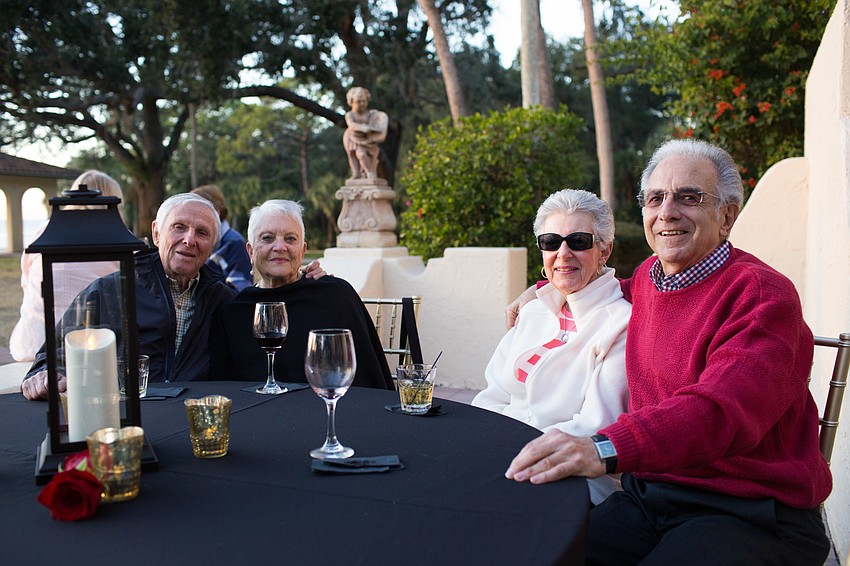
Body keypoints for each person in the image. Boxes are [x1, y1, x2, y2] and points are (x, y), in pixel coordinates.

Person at [504, 139, 833, 565]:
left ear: (727, 215)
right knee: (541, 553)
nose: (668, 212)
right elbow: (611, 292)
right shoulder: (649, 278)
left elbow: (719, 411)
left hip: (749, 511)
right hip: (652, 498)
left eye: (689, 198)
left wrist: (603, 448)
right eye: (655, 198)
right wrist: (545, 288)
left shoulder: (762, 296)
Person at [472, 189, 630, 505]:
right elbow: (492, 395)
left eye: (579, 241)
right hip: (502, 460)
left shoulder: (621, 324)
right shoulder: (532, 312)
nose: (563, 252)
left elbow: (597, 424)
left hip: (568, 480)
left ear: (604, 251)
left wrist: (509, 453)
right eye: (551, 242)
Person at [209, 199, 393, 389]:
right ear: (250, 251)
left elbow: (368, 380)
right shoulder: (233, 313)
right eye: (267, 238)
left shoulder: (335, 297)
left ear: (302, 251)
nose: (280, 247)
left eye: (290, 239)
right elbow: (224, 390)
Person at [9, 170, 123, 363]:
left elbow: (26, 281)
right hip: (89, 349)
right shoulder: (116, 239)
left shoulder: (44, 232)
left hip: (32, 342)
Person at [191, 184, 253, 290]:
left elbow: (240, 290)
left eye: (197, 211)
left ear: (216, 212)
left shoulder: (234, 243)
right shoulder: (192, 240)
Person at [342, 86, 388, 181]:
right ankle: (357, 173)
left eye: (364, 101)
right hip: (352, 137)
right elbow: (351, 124)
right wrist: (363, 128)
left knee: (365, 155)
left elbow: (377, 122)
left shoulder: (369, 114)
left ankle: (370, 172)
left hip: (367, 139)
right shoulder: (350, 115)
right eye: (359, 101)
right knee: (356, 155)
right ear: (352, 102)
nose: (362, 104)